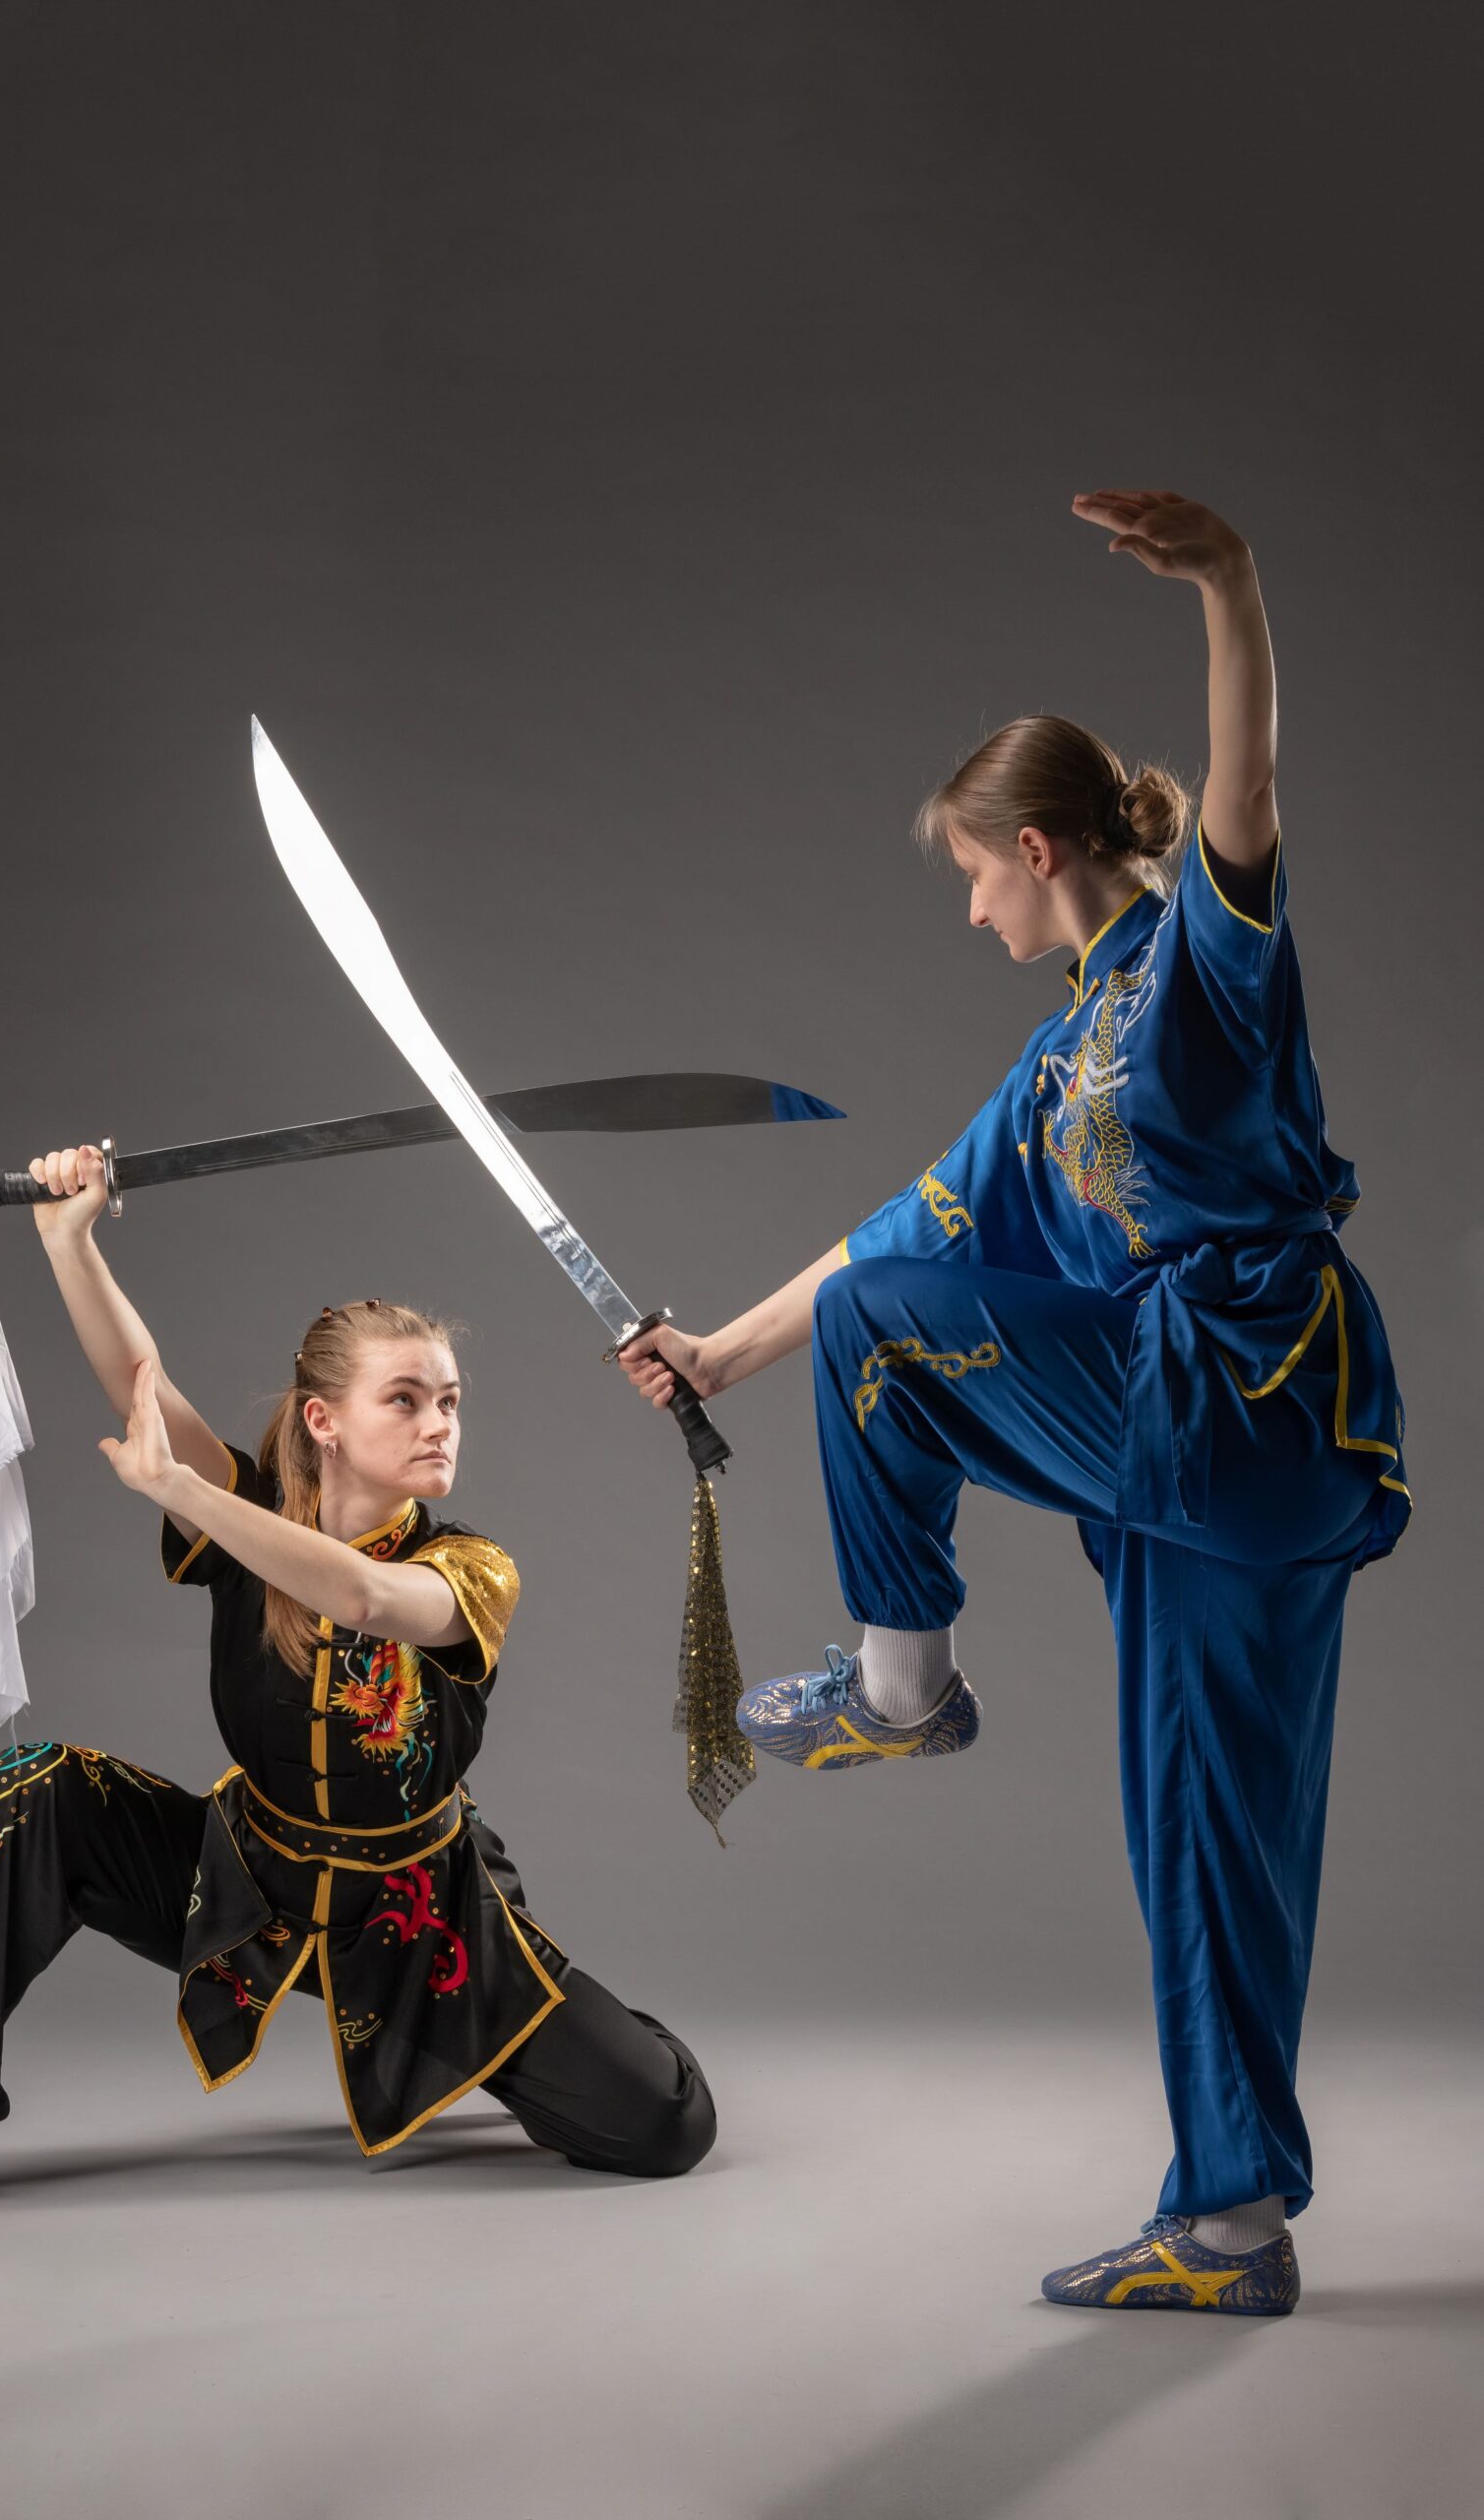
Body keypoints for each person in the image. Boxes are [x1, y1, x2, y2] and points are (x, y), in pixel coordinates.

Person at [620, 491, 1406, 2316]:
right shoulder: (1060, 1058)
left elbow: (1245, 788)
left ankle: (903, 1688)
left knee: (888, 1335)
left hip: (1238, 1395)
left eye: (973, 874)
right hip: (1217, 1468)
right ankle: (1230, 2227)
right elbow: (904, 1232)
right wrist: (719, 1354)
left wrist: (1227, 585)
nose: (968, 905)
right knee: (1204, 1827)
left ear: (1036, 849)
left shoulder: (1203, 969)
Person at [0, 1148, 715, 2210]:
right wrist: (66, 1241)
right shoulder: (253, 1511)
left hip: (420, 1917)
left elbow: (364, 1597)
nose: (439, 1423)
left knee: (664, 2123)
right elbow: (141, 1386)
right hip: (244, 1886)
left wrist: (186, 1493)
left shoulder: (469, 1566)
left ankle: (589, 2032)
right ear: (324, 1421)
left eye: (449, 1401)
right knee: (30, 1790)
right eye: (405, 1399)